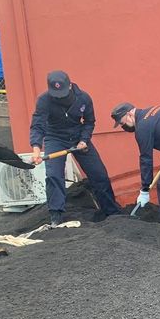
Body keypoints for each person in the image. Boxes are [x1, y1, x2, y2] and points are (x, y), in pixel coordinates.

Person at [29, 70, 121, 224]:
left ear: (70, 85)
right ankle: (56, 216)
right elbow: (37, 125)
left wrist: (84, 140)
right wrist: (36, 149)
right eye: (56, 94)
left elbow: (89, 122)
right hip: (55, 138)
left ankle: (111, 211)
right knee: (53, 175)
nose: (59, 97)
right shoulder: (44, 100)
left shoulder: (83, 98)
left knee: (99, 174)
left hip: (79, 137)